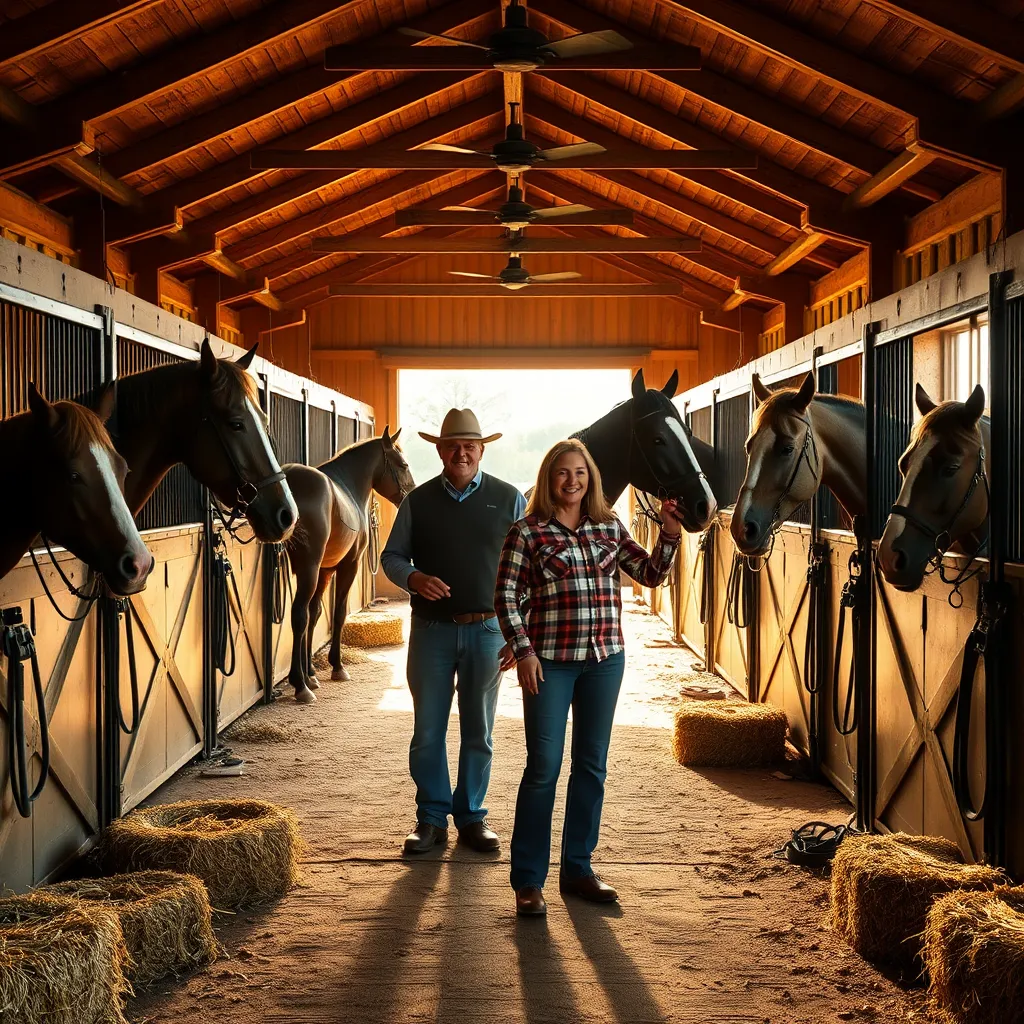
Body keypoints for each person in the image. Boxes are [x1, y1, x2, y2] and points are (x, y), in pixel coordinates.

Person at [494, 438, 682, 916]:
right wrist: (525, 651)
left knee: (592, 766)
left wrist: (670, 533)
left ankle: (578, 868)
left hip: (605, 660)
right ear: (548, 479)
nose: (572, 481)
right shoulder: (527, 532)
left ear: (591, 478)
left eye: (580, 472)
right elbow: (506, 597)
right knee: (544, 768)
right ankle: (528, 881)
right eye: (563, 472)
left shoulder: (609, 526)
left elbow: (651, 573)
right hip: (550, 663)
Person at [382, 408, 526, 855]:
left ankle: (471, 817)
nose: (461, 452)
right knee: (428, 728)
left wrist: (518, 635)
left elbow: (529, 570)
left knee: (479, 730)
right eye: (453, 446)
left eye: (470, 446)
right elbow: (391, 557)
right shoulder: (417, 501)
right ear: (440, 451)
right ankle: (430, 819)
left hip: (487, 632)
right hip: (432, 632)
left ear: (482, 450)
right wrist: (414, 578)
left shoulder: (509, 499)